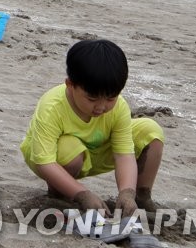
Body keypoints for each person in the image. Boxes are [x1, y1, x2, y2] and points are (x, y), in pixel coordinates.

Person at [21, 39, 165, 216]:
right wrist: (82, 194)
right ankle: (59, 193)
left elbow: (123, 155)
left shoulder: (118, 107)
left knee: (150, 131)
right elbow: (45, 162)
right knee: (69, 148)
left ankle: (140, 199)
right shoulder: (52, 106)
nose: (101, 107)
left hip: (96, 152)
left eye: (110, 98)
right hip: (50, 158)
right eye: (92, 99)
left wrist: (127, 192)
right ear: (70, 85)